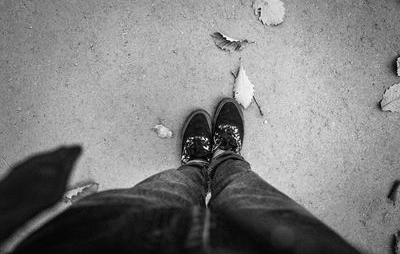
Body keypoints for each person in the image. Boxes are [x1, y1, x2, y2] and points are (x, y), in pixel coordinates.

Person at [0, 98, 361, 254]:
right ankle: (224, 160)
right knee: (243, 189)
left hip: (109, 240)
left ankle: (195, 167)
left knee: (165, 193)